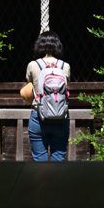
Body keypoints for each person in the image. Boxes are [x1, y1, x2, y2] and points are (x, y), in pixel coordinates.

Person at [22, 30, 71, 161]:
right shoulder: (65, 66)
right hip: (61, 116)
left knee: (39, 161)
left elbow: (29, 87)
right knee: (58, 159)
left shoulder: (33, 65)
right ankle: (57, 182)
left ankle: (41, 182)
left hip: (38, 116)